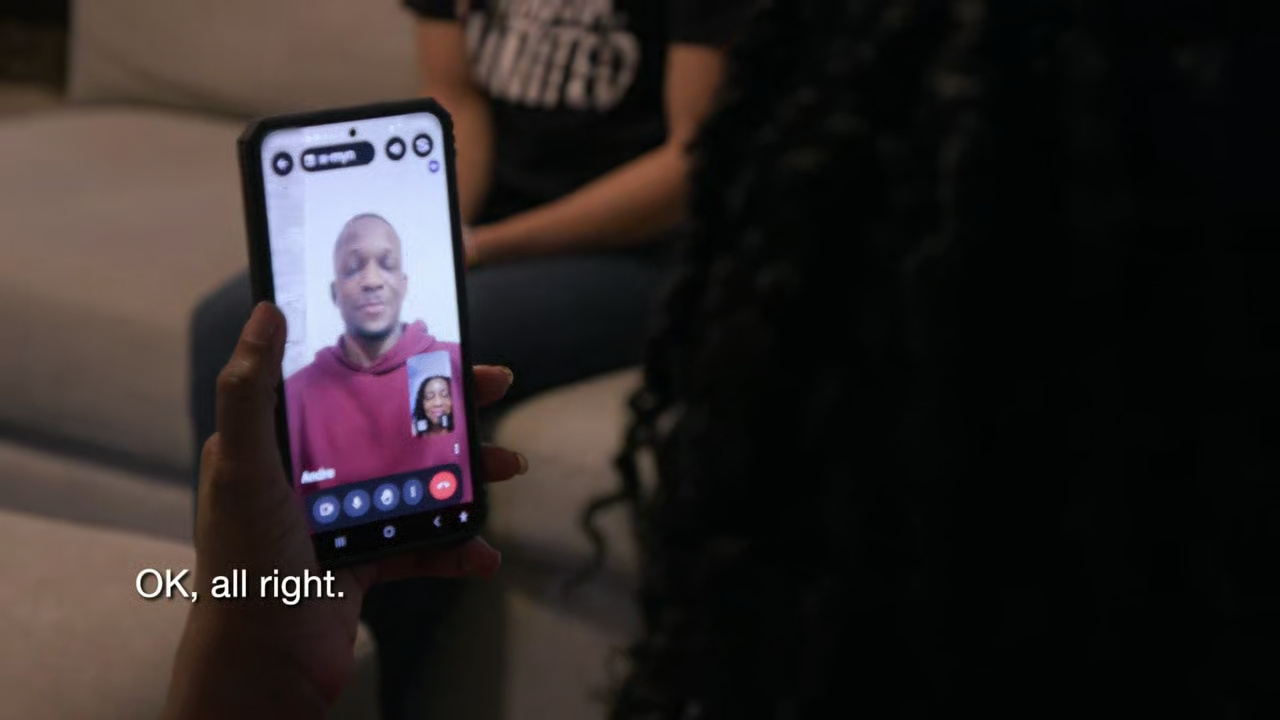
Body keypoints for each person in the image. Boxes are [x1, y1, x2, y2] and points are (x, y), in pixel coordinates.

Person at [167, 0, 1276, 718]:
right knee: (244, 327)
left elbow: (695, 156)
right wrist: (430, 239)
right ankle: (315, 627)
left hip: (635, 254)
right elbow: (452, 97)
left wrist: (483, 254)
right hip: (491, 226)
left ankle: (372, 676)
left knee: (377, 366)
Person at [285, 213, 471, 500]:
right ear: (335, 292)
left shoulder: (449, 361)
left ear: (404, 283)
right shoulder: (296, 392)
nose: (372, 281)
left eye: (387, 265)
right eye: (352, 269)